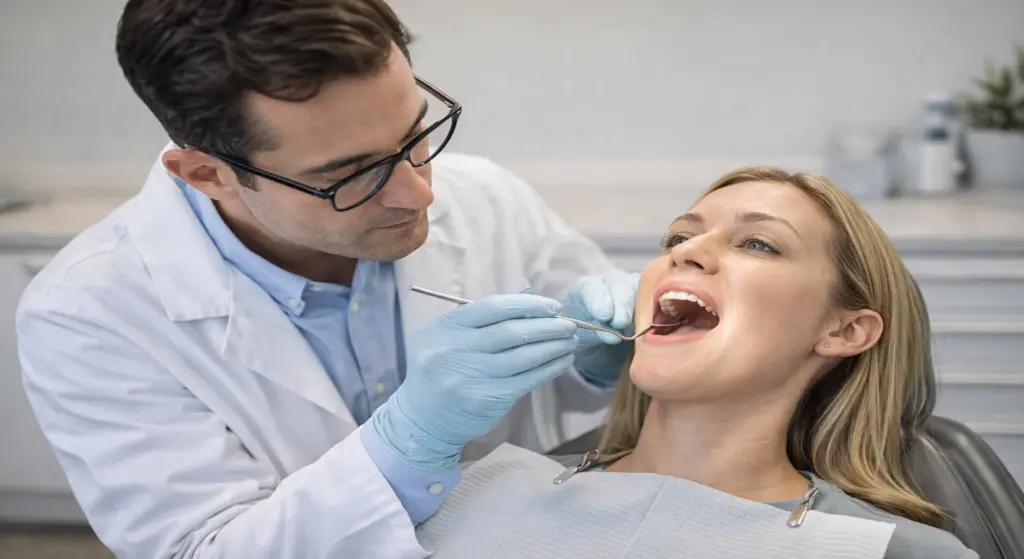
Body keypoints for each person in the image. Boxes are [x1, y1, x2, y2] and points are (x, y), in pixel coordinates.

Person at [14, 1, 640, 558]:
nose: (418, 191)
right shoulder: (88, 313)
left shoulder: (486, 197)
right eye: (350, 174)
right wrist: (411, 443)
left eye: (416, 133)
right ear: (207, 173)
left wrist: (594, 370)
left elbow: (579, 410)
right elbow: (203, 548)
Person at [414, 167, 978, 559]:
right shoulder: (478, 492)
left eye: (757, 244)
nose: (684, 251)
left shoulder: (896, 552)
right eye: (679, 236)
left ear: (843, 330)